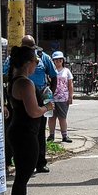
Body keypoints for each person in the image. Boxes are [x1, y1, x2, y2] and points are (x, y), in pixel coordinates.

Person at [7, 46, 52, 195]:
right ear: (28, 63)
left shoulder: (16, 81)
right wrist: (46, 108)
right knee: (22, 177)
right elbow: (33, 111)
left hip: (22, 131)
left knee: (24, 174)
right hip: (24, 133)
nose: (37, 65)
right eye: (35, 62)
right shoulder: (25, 83)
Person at [20, 35, 57, 174]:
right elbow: (5, 74)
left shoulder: (44, 58)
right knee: (22, 130)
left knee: (40, 132)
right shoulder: (15, 58)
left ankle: (40, 162)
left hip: (40, 96)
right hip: (21, 97)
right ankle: (22, 161)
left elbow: (54, 76)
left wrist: (49, 95)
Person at [47, 51, 74, 143]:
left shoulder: (67, 71)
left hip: (63, 98)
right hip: (51, 98)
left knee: (62, 118)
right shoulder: (50, 72)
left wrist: (70, 96)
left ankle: (64, 135)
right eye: (56, 60)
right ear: (53, 61)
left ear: (63, 60)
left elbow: (70, 85)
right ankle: (51, 135)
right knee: (51, 118)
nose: (58, 61)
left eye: (60, 59)